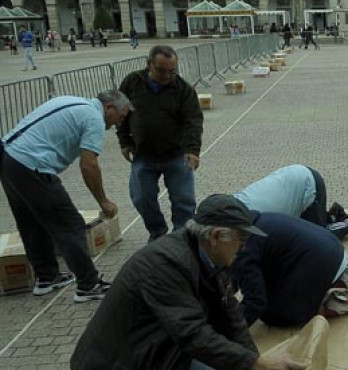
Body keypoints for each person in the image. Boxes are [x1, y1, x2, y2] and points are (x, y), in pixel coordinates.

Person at [70, 194, 305, 370]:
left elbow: (231, 316)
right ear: (215, 237)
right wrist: (256, 362)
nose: (244, 248)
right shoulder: (165, 264)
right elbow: (191, 333)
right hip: (117, 363)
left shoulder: (212, 256)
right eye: (241, 239)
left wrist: (254, 361)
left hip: (159, 349)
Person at [1, 90, 131, 302]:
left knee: (31, 222)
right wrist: (103, 201)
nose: (119, 123)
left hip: (9, 159)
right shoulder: (93, 118)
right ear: (109, 108)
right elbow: (89, 165)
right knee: (70, 225)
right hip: (33, 165)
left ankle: (47, 277)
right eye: (121, 117)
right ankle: (88, 285)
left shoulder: (72, 101)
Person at [118, 45, 204, 242]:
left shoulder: (183, 89)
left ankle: (181, 239)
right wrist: (124, 141)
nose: (168, 75)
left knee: (184, 201)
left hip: (176, 155)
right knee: (142, 198)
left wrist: (192, 150)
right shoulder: (132, 82)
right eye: (162, 70)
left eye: (172, 71)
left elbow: (193, 121)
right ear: (149, 65)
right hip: (143, 155)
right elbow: (121, 112)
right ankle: (157, 234)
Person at [233, 211, 348, 328]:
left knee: (270, 315)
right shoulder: (259, 218)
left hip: (320, 264)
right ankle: (343, 275)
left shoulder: (242, 248)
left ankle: (326, 302)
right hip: (333, 248)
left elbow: (255, 302)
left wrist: (228, 334)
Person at [234, 164, 348, 239]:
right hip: (293, 178)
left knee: (319, 238)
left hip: (308, 185)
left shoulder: (248, 224)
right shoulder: (229, 206)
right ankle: (332, 215)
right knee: (302, 227)